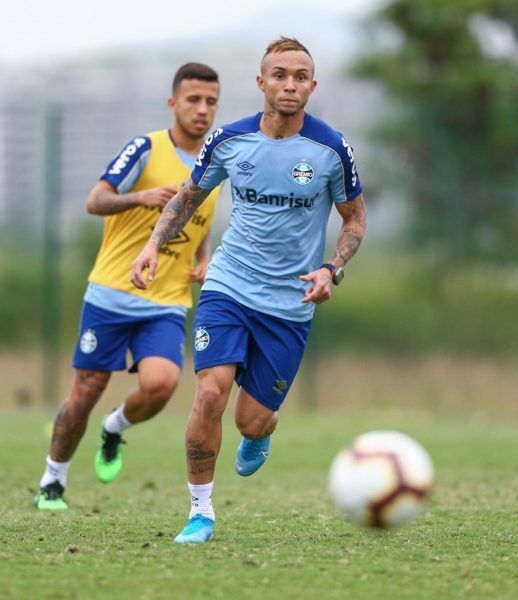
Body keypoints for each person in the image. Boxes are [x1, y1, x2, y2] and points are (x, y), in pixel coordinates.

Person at [131, 37, 367, 544]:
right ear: (261, 82)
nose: (289, 84)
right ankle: (200, 512)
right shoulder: (230, 140)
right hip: (228, 285)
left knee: (252, 420)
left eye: (300, 76)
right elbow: (188, 199)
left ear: (312, 85)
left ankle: (259, 434)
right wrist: (152, 245)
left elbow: (354, 221)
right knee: (210, 390)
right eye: (279, 74)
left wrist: (331, 270)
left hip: (290, 304)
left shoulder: (331, 149)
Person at [35, 63, 221, 510]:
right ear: (173, 103)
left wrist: (202, 256)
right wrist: (141, 196)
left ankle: (115, 428)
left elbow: (201, 217)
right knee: (86, 391)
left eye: (211, 102)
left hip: (167, 300)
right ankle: (52, 478)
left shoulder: (216, 160)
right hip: (111, 294)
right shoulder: (145, 147)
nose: (202, 110)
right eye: (193, 100)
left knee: (163, 384)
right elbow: (95, 200)